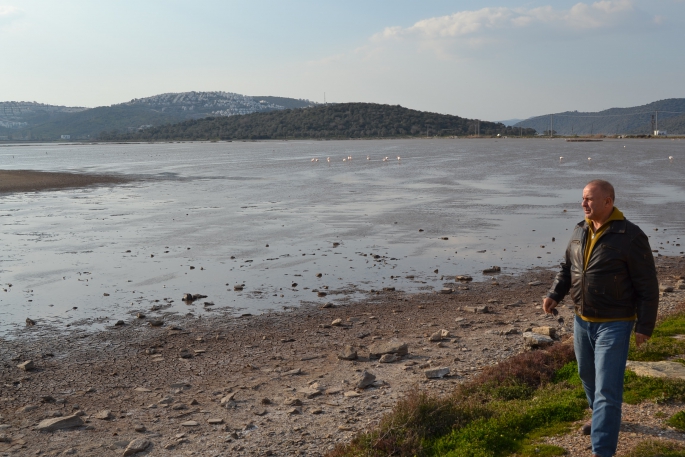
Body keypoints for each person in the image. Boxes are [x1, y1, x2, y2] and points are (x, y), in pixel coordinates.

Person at [543, 179, 659, 457]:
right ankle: (600, 418)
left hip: (616, 323)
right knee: (587, 375)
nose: (583, 204)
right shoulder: (579, 230)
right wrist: (555, 293)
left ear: (608, 202)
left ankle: (602, 450)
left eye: (589, 199)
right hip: (582, 320)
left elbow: (647, 285)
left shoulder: (630, 235)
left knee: (607, 386)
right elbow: (567, 267)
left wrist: (644, 325)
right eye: (583, 199)